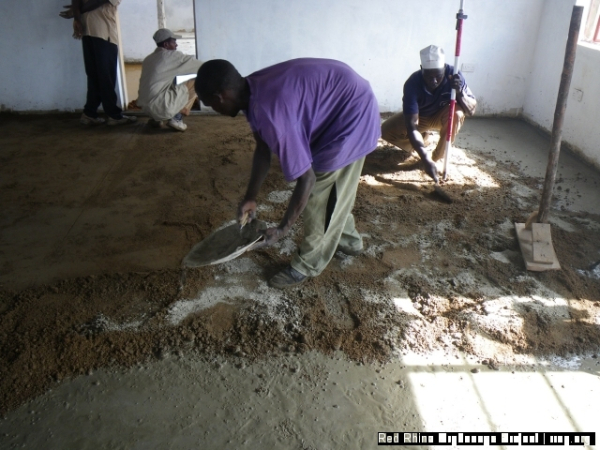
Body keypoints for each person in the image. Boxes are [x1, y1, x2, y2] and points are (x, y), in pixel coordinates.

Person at [195, 58, 380, 289]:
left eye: (209, 104)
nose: (214, 110)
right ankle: (350, 241)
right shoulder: (251, 90)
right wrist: (250, 197)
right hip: (340, 101)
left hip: (352, 116)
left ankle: (307, 264)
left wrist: (283, 229)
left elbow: (307, 179)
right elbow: (263, 149)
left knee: (320, 193)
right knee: (333, 191)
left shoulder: (271, 113)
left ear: (219, 97)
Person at [380, 45, 477, 182]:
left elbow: (471, 110)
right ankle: (424, 139)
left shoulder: (454, 75)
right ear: (422, 69)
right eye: (428, 77)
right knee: (386, 131)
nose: (434, 81)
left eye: (438, 76)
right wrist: (424, 157)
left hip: (443, 116)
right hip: (421, 116)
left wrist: (460, 91)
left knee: (457, 114)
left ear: (444, 69)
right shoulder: (412, 83)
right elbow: (411, 125)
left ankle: (437, 156)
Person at [60, 0, 137, 126]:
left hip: (88, 30)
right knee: (105, 75)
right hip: (103, 32)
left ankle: (89, 113)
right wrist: (76, 13)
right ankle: (113, 115)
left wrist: (76, 14)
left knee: (94, 75)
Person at [137, 29, 203, 132]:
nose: (176, 45)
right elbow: (203, 67)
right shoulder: (173, 56)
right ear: (166, 44)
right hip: (161, 106)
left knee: (169, 83)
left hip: (146, 108)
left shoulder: (148, 59)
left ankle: (156, 119)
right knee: (196, 81)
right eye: (174, 42)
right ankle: (177, 118)